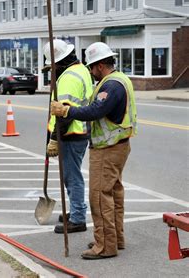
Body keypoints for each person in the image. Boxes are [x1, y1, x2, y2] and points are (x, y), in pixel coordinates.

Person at [51, 41, 137, 260]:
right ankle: (114, 238)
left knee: (99, 196)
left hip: (108, 148)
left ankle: (105, 246)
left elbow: (96, 110)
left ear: (99, 66)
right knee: (114, 193)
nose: (90, 71)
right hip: (118, 144)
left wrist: (67, 111)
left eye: (91, 67)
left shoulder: (112, 85)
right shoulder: (120, 80)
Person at [43, 39, 93, 234]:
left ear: (59, 62)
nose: (52, 70)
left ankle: (78, 217)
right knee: (71, 176)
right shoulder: (80, 70)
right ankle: (75, 209)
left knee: (72, 177)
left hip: (71, 133)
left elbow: (64, 113)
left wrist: (55, 137)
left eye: (52, 66)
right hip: (77, 131)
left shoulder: (69, 77)